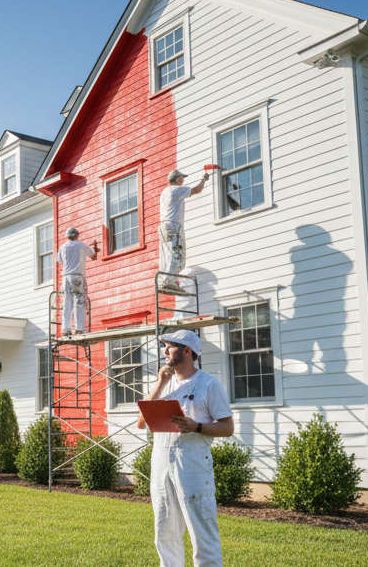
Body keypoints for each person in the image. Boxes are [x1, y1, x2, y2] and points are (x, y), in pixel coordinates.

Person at [137, 330, 234, 567]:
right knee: (165, 530)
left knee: (201, 530)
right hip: (161, 459)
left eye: (170, 347)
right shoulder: (163, 384)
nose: (164, 351)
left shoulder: (209, 384)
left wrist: (197, 426)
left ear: (187, 352)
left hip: (192, 462)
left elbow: (227, 427)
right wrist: (160, 383)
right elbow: (142, 423)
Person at [159, 168, 209, 295]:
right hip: (174, 226)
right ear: (176, 179)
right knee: (178, 255)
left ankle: (166, 280)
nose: (183, 180)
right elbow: (197, 190)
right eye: (181, 178)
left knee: (168, 255)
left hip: (164, 226)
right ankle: (168, 283)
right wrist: (204, 179)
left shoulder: (165, 192)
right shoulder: (176, 189)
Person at [57, 227, 98, 336]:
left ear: (67, 236)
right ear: (77, 235)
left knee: (66, 302)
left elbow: (60, 261)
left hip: (66, 277)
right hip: (77, 277)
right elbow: (93, 256)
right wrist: (95, 248)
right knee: (79, 302)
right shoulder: (81, 245)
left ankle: (65, 329)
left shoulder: (62, 247)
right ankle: (79, 328)